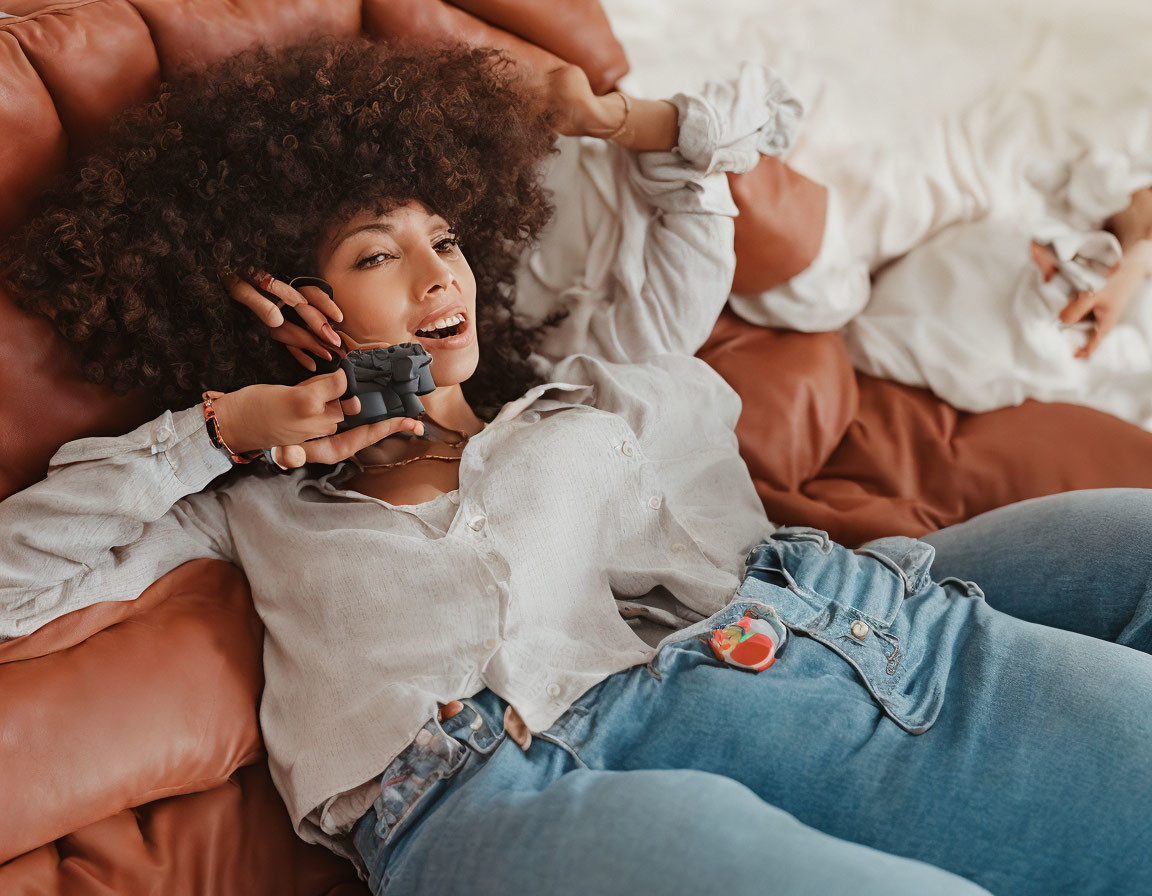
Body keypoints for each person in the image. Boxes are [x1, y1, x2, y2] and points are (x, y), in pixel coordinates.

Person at [3, 37, 1152, 896]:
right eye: (376, 253)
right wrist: (222, 425)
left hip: (842, 619)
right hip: (525, 776)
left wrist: (614, 118)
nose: (436, 273)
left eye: (444, 238)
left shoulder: (577, 382)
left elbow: (700, 201)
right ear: (282, 303)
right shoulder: (250, 504)